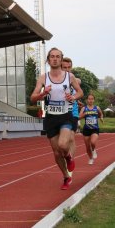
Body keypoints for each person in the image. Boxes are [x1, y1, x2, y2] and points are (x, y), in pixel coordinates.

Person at [30, 47, 83, 190]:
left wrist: (73, 97)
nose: (54, 59)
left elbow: (80, 92)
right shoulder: (43, 78)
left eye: (57, 56)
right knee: (56, 152)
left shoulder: (69, 77)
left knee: (63, 145)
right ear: (48, 60)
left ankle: (69, 157)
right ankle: (66, 176)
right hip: (51, 118)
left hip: (66, 116)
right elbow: (32, 97)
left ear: (61, 59)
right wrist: (43, 93)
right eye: (52, 56)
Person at [61, 57, 81, 164]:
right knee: (62, 143)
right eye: (64, 68)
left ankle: (71, 161)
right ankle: (67, 156)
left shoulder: (73, 79)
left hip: (72, 112)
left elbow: (79, 81)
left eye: (69, 67)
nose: (67, 70)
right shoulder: (55, 80)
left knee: (71, 138)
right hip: (59, 113)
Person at [79, 93, 104, 165]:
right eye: (89, 99)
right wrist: (84, 114)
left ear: (94, 100)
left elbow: (101, 114)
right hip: (86, 129)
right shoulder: (84, 108)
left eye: (92, 99)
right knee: (87, 147)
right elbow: (79, 117)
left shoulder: (97, 108)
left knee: (93, 142)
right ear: (87, 100)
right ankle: (90, 158)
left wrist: (101, 118)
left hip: (95, 129)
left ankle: (93, 150)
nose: (90, 100)